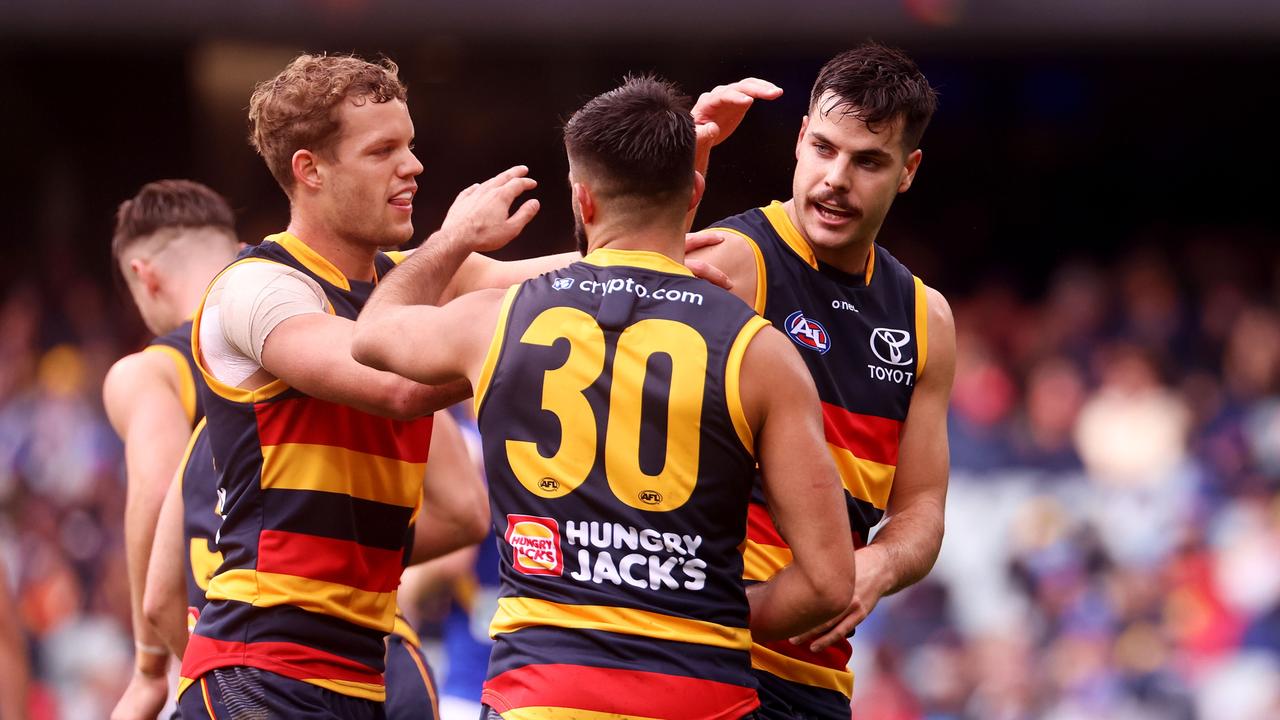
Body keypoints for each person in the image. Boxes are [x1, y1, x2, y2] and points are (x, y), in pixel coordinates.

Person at [352, 75, 855, 720]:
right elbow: (829, 582)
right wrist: (710, 608)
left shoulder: (497, 320)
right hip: (701, 696)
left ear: (582, 202)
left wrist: (454, 238)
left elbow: (371, 336)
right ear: (695, 193)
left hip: (542, 696)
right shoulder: (761, 352)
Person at [174, 53, 534, 719]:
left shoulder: (409, 280)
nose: (413, 166)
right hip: (261, 670)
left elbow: (581, 278)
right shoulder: (257, 287)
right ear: (310, 170)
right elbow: (392, 382)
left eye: (412, 145)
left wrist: (657, 205)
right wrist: (453, 243)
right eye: (383, 150)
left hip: (364, 671)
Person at [687, 43, 956, 718]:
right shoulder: (736, 260)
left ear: (908, 172)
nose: (837, 178)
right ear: (801, 141)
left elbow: (921, 510)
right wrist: (683, 168)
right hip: (704, 657)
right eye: (826, 149)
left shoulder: (926, 320)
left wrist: (881, 565)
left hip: (818, 686)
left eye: (868, 161)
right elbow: (605, 284)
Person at [103, 179, 240, 720]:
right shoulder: (326, 326)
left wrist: (146, 667)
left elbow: (160, 491)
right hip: (382, 650)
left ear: (145, 275)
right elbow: (461, 509)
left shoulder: (152, 370)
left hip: (249, 663)